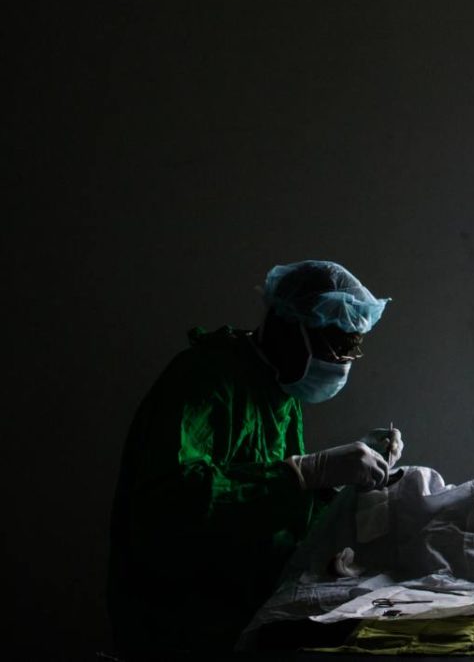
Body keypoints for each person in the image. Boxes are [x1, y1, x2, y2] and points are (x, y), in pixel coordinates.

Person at [107, 260, 400, 651]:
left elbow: (272, 498)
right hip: (179, 617)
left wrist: (340, 486)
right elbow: (171, 503)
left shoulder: (279, 390)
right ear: (290, 327)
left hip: (242, 604)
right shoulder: (203, 378)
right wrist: (307, 472)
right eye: (334, 348)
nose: (340, 365)